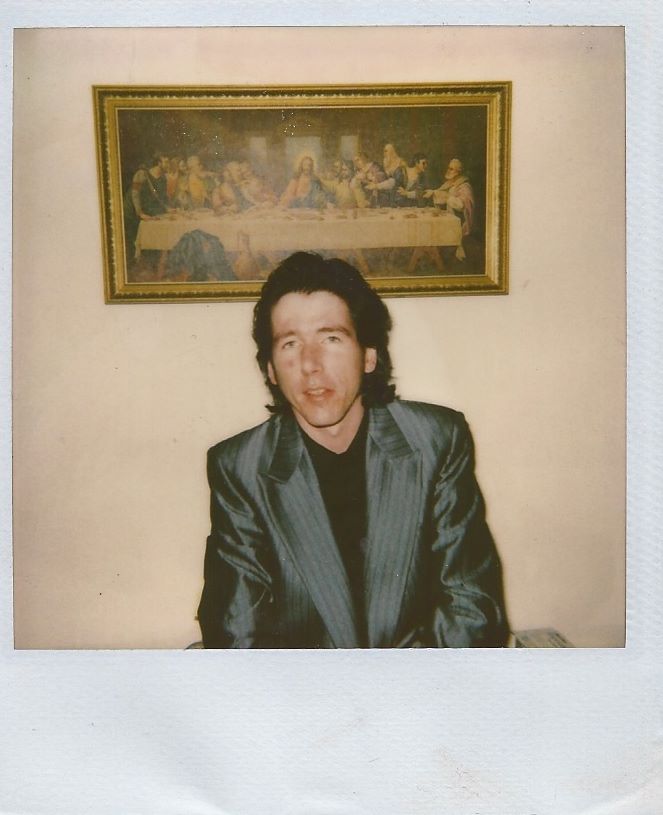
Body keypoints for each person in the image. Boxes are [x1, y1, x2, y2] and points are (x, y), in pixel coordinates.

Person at [197, 252, 508, 649]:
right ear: (271, 369)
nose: (310, 364)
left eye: (331, 338)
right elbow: (237, 633)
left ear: (369, 356)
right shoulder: (239, 467)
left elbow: (472, 607)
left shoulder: (436, 440)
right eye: (290, 343)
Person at [424, 158, 475, 236]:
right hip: (450, 219)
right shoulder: (450, 184)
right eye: (448, 168)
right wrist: (433, 192)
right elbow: (443, 195)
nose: (448, 171)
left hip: (459, 222)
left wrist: (447, 196)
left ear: (458, 172)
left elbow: (461, 205)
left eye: (451, 169)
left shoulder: (465, 187)